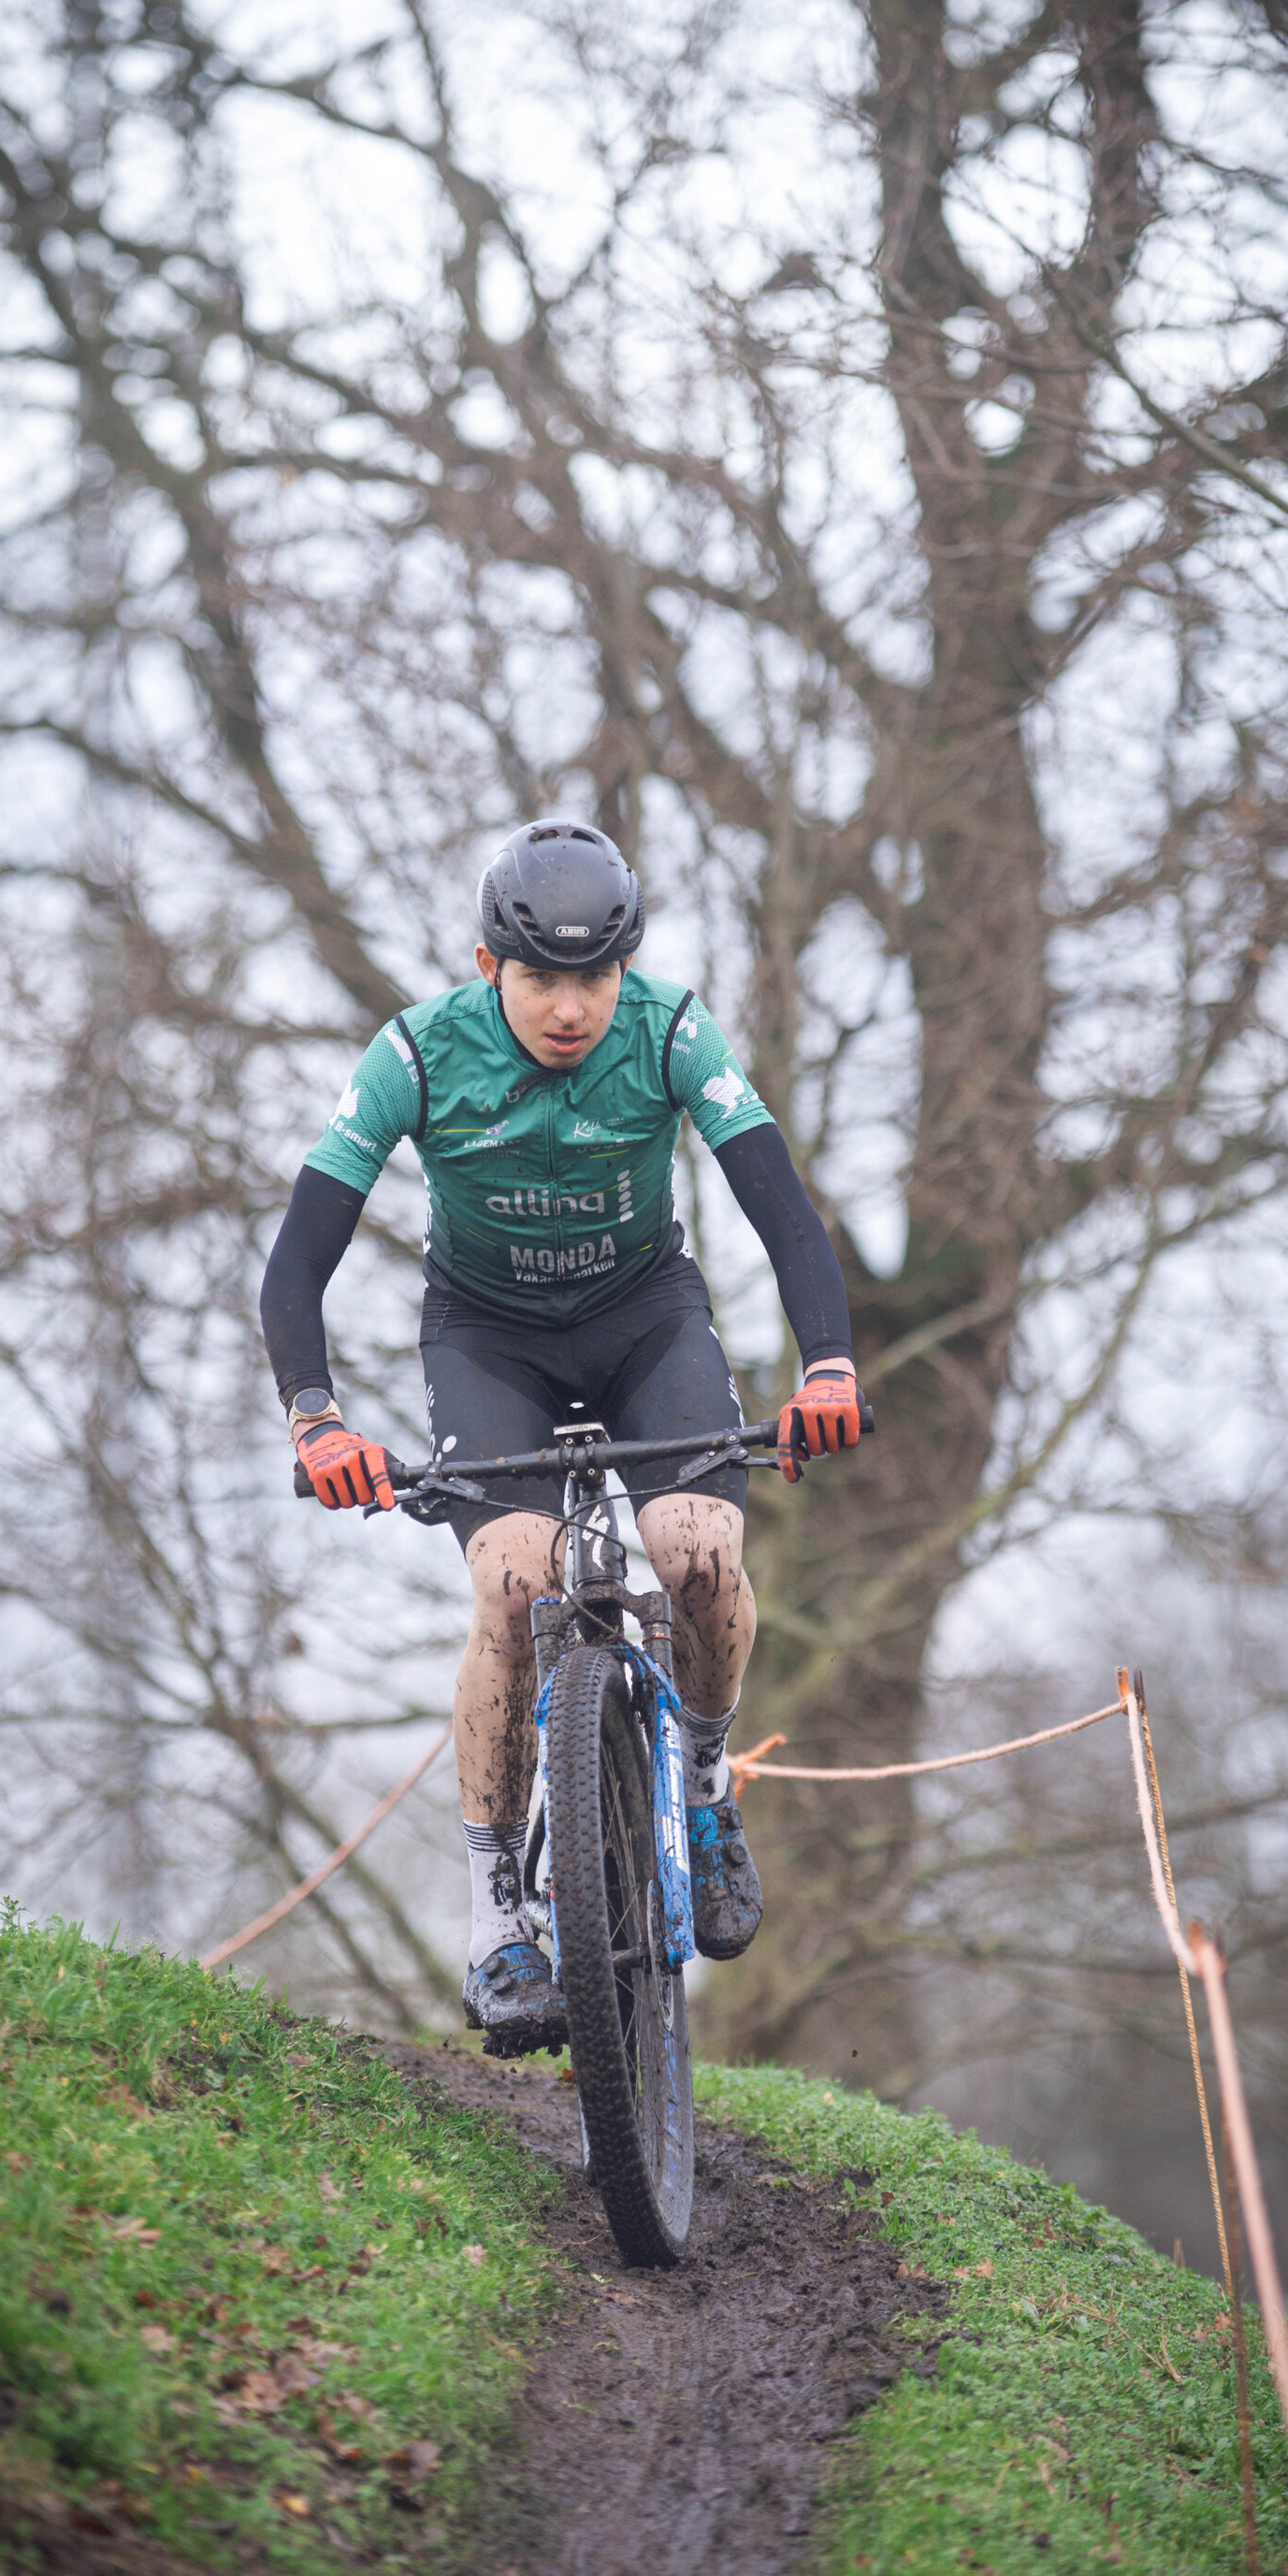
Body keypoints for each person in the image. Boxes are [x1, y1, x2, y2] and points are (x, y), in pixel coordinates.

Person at [259, 820, 861, 2054]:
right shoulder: (417, 1055)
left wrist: (829, 1365)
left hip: (646, 1327)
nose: (573, 1008)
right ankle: (497, 1916)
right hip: (489, 1345)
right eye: (543, 979)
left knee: (696, 1552)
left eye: (596, 979)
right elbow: (298, 1259)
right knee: (514, 1587)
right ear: (490, 966)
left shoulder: (674, 1031)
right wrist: (315, 1419)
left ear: (625, 973)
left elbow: (780, 1208)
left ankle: (699, 1784)